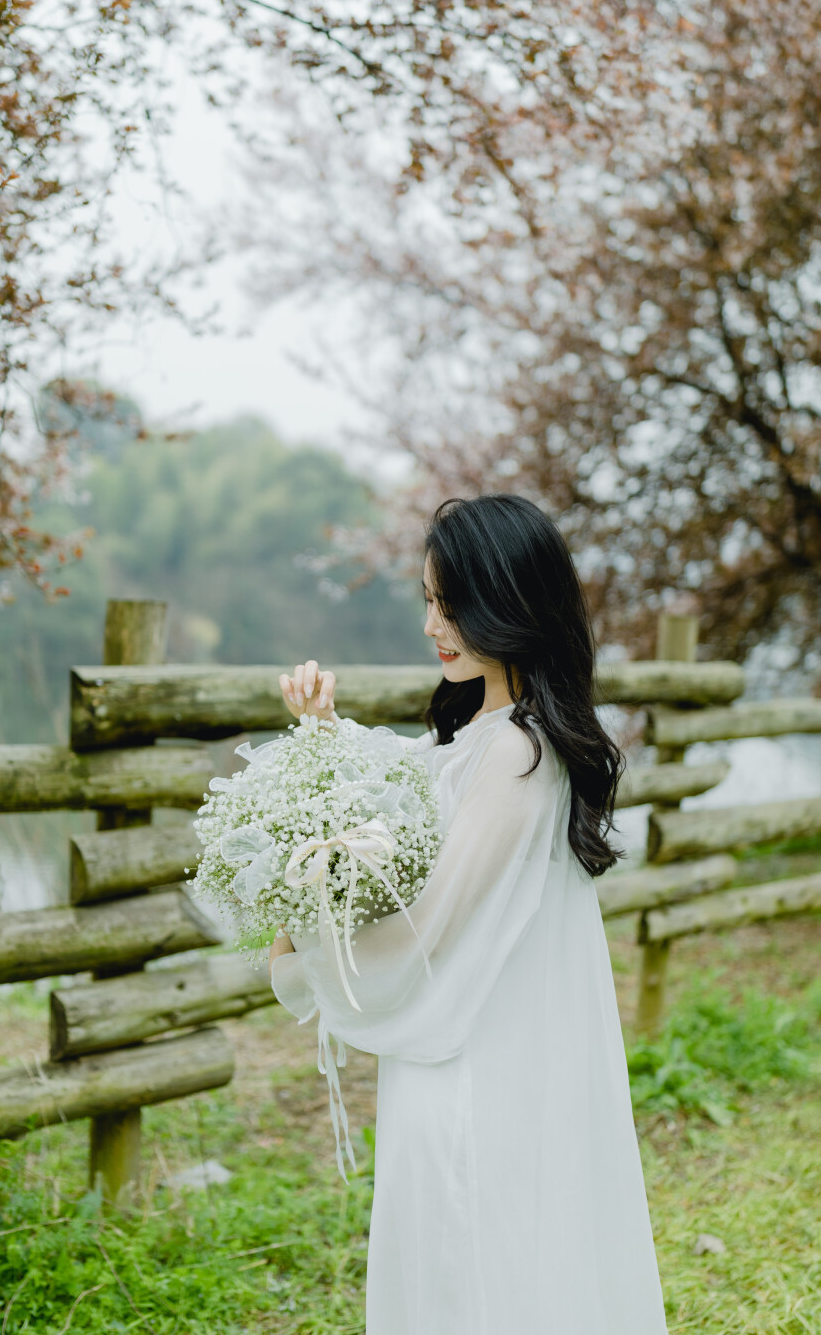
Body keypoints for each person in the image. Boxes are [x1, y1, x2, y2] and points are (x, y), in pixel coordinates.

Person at [270, 494, 668, 1334]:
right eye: (427, 600)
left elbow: (432, 920)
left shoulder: (518, 753)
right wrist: (319, 732)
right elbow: (398, 788)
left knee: (471, 1259)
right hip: (475, 1050)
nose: (432, 625)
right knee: (475, 1260)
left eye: (450, 604)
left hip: (478, 1065)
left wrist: (307, 938)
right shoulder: (486, 736)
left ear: (508, 602)